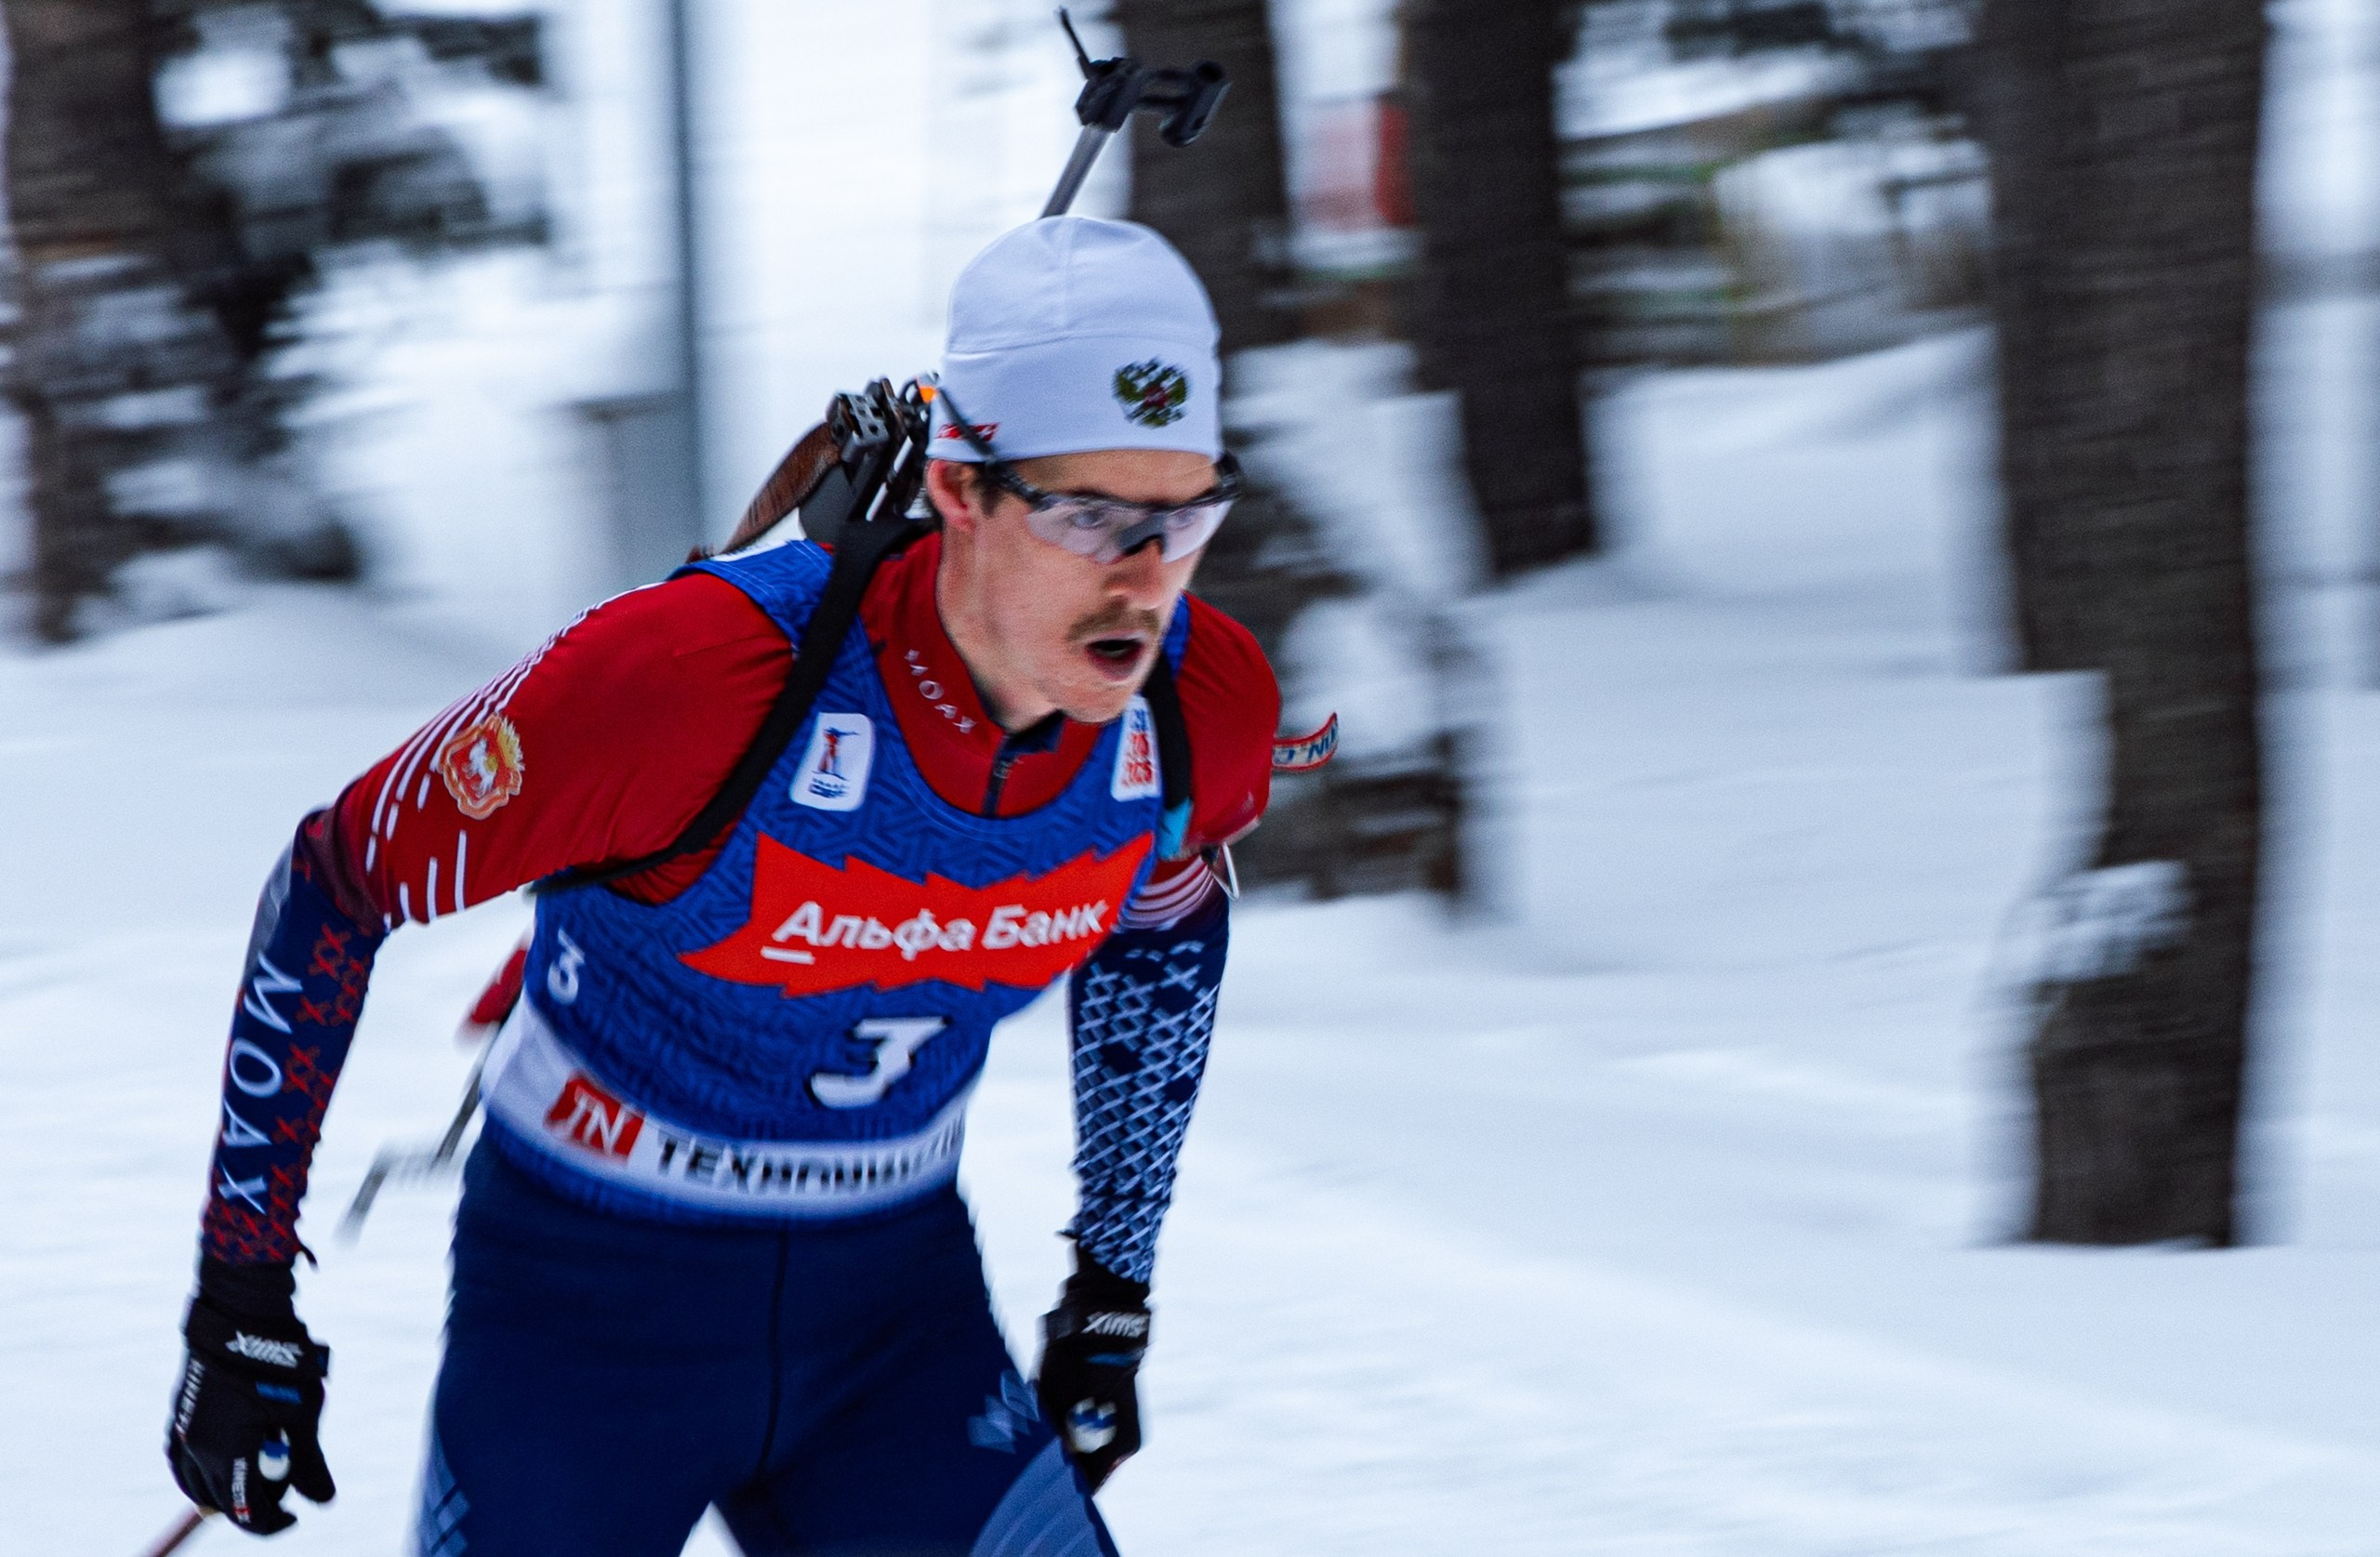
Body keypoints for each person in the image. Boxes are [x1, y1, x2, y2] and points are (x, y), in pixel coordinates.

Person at [165, 216, 1288, 1555]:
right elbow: (339, 880)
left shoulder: (1198, 708)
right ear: (960, 491)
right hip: (585, 1306)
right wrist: (242, 1300)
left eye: (1183, 516)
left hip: (893, 1321)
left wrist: (1111, 1287)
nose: (1145, 578)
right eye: (1089, 516)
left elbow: (1164, 935)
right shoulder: (694, 680)